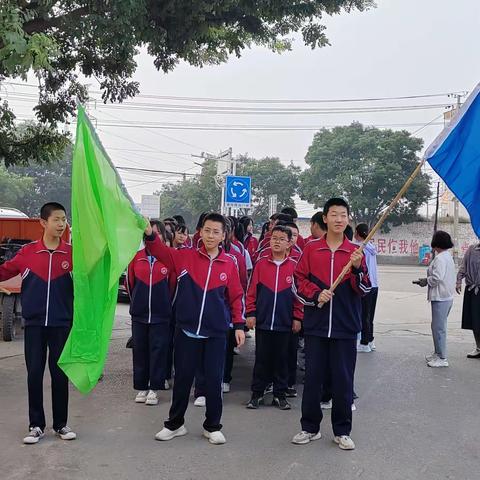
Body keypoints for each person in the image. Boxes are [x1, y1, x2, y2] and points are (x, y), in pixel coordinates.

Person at [144, 213, 245, 445]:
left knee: (213, 380)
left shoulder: (230, 263)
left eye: (216, 232)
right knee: (183, 378)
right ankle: (175, 424)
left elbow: (236, 296)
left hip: (217, 333)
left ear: (223, 236)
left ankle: (212, 426)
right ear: (200, 231)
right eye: (207, 230)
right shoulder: (184, 257)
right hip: (186, 330)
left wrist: (238, 325)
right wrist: (149, 234)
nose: (211, 235)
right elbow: (159, 251)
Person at [292, 198, 370, 451]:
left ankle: (342, 430)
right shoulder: (312, 249)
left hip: (345, 327)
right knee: (313, 379)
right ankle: (309, 427)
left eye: (343, 214)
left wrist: (357, 269)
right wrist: (316, 294)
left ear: (348, 219)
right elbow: (298, 280)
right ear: (325, 218)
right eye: (334, 214)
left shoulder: (356, 253)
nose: (338, 219)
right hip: (316, 325)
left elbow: (365, 289)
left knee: (343, 380)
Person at [0, 202, 76, 444]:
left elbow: (95, 273)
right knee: (34, 373)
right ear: (43, 223)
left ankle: (61, 425)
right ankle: (36, 425)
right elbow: (4, 271)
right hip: (34, 324)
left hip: (61, 324)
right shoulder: (28, 253)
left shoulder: (73, 254)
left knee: (59, 374)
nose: (61, 224)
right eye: (56, 219)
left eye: (64, 219)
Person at [245, 225, 302, 410]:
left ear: (289, 243)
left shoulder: (294, 267)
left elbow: (299, 297)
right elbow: (251, 291)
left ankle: (280, 394)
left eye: (281, 239)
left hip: (285, 323)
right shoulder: (261, 264)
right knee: (261, 359)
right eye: (273, 238)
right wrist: (251, 313)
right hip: (263, 322)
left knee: (282, 360)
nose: (276, 242)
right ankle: (257, 394)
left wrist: (297, 317)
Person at [126, 220, 174, 405]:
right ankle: (141, 387)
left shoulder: (167, 259)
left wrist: (165, 306)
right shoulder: (136, 258)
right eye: (149, 232)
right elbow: (130, 284)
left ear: (162, 236)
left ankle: (154, 388)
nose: (152, 235)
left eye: (157, 232)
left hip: (161, 315)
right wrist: (137, 304)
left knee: (159, 351)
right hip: (139, 314)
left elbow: (173, 286)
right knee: (140, 351)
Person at [354, 223, 379, 353]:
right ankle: (370, 340)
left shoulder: (359, 248)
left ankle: (364, 343)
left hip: (366, 285)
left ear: (357, 233)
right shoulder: (371, 247)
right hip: (375, 285)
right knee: (370, 315)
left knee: (364, 314)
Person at [456, 241, 480, 359]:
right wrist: (459, 281)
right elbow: (463, 266)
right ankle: (478, 347)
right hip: (472, 289)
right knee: (474, 321)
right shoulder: (471, 249)